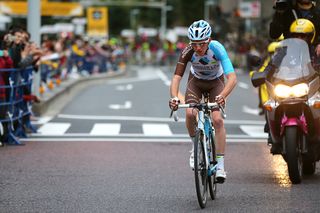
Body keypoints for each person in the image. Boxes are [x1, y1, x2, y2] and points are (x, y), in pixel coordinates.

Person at [169, 20, 237, 182]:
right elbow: (176, 78)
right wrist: (173, 97)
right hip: (196, 82)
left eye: (201, 44)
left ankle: (220, 165)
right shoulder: (187, 51)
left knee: (217, 120)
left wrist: (223, 96)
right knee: (190, 113)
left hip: (216, 83)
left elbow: (232, 78)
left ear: (209, 40)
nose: (198, 48)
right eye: (194, 44)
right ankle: (195, 146)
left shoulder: (217, 48)